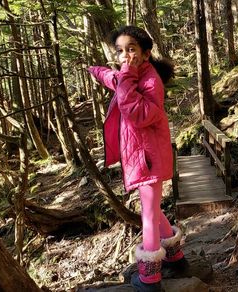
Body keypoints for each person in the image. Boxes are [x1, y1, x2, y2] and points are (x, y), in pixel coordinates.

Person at [88, 26, 186, 292]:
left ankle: (150, 278)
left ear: (145, 54)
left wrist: (125, 76)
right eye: (119, 51)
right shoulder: (129, 75)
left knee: (147, 215)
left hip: (148, 158)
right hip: (140, 156)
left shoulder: (150, 80)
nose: (124, 56)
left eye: (131, 49)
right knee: (153, 211)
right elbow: (115, 79)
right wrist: (95, 70)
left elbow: (138, 114)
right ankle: (176, 258)